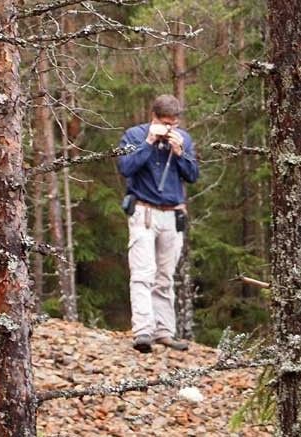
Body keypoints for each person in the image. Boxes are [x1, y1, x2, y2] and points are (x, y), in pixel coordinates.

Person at [118, 94, 199, 353]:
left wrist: (180, 153)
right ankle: (143, 331)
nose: (169, 129)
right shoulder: (134, 135)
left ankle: (164, 331)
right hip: (144, 212)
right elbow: (125, 167)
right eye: (165, 123)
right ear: (154, 117)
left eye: (174, 124)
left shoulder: (183, 139)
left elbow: (193, 175)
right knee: (143, 273)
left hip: (172, 214)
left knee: (165, 276)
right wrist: (149, 142)